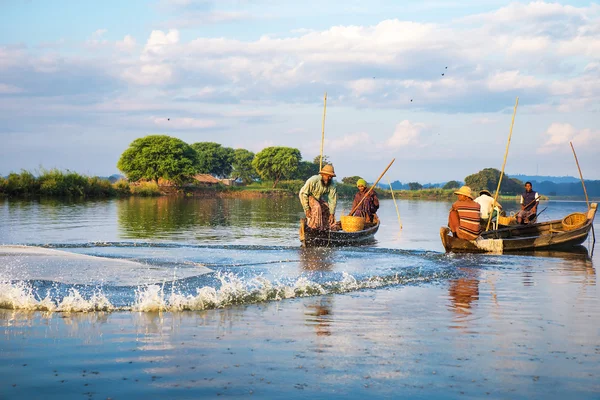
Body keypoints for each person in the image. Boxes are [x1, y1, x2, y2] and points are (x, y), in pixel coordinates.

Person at [299, 164, 338, 230]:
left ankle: (324, 228)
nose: (329, 179)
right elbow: (303, 194)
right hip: (308, 196)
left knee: (326, 208)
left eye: (331, 177)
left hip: (317, 198)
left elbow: (332, 200)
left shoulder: (332, 184)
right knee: (317, 207)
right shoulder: (313, 180)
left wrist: (332, 214)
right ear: (322, 174)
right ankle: (313, 227)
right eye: (327, 176)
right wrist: (307, 208)